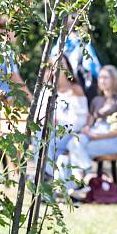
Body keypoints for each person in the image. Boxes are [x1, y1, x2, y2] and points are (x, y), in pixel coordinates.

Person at [66, 65, 117, 176]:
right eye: (100, 77)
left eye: (105, 77)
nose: (101, 80)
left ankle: (76, 183)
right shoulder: (97, 100)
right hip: (95, 132)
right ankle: (86, 170)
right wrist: (87, 127)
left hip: (111, 139)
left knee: (76, 152)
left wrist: (96, 136)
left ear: (114, 80)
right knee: (72, 143)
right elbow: (91, 119)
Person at [35, 57, 88, 190]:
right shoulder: (47, 91)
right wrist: (48, 119)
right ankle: (46, 176)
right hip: (51, 132)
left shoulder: (75, 89)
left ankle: (46, 176)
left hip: (70, 133)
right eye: (56, 65)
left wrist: (61, 124)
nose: (60, 68)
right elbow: (39, 115)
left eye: (62, 64)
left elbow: (80, 119)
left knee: (48, 143)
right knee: (39, 134)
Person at [50, 15, 102, 103]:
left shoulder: (57, 47)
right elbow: (94, 69)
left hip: (58, 91)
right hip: (80, 93)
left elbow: (50, 69)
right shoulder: (84, 46)